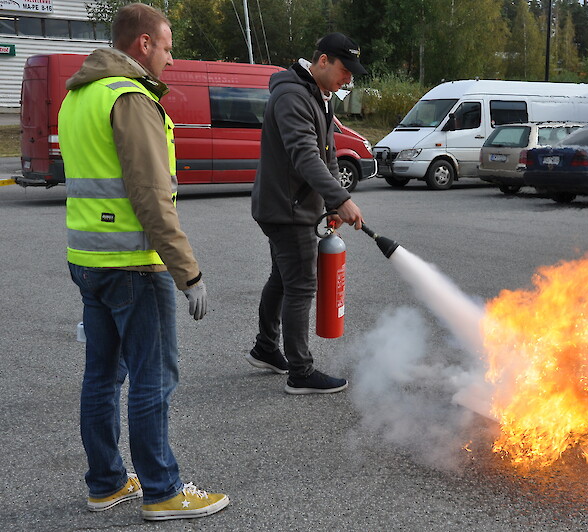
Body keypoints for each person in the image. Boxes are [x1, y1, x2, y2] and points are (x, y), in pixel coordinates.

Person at [60, 3, 228, 521]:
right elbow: (151, 198)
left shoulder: (79, 95)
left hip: (88, 260)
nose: (172, 59)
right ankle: (162, 489)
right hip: (135, 265)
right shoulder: (130, 99)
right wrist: (189, 272)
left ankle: (106, 482)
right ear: (143, 45)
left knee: (102, 376)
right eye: (168, 46)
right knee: (154, 378)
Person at [248, 32, 366, 394]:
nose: (348, 79)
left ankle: (266, 348)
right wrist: (342, 200)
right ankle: (301, 372)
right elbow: (305, 157)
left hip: (291, 205)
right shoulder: (292, 96)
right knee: (301, 286)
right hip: (288, 209)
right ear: (323, 61)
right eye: (345, 70)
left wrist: (333, 202)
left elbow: (328, 154)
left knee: (283, 279)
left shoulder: (320, 96)